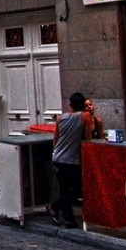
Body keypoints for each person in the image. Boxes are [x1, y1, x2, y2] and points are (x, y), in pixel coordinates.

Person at [49, 92, 95, 229]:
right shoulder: (85, 117)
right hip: (72, 158)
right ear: (83, 105)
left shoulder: (60, 118)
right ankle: (68, 218)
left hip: (59, 157)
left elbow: (56, 137)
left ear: (70, 104)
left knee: (66, 188)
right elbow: (87, 137)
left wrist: (55, 152)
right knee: (73, 188)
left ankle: (56, 206)